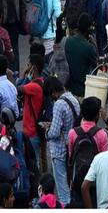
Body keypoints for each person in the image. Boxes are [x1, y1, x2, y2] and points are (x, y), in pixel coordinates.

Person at [43, 76, 81, 206]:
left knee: (63, 189)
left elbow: (54, 132)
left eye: (51, 94)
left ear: (53, 91)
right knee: (70, 184)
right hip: (71, 146)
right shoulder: (73, 98)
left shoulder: (59, 104)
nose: (52, 97)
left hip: (59, 150)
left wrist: (47, 130)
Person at [18, 54, 46, 171]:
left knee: (32, 165)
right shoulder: (42, 82)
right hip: (36, 130)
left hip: (31, 132)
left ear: (33, 68)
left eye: (28, 65)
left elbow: (18, 88)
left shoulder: (34, 86)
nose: (26, 67)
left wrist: (24, 74)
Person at [63, 13, 98, 98]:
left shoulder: (68, 41)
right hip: (82, 90)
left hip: (69, 87)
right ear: (88, 28)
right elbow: (97, 66)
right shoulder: (89, 47)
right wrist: (94, 44)